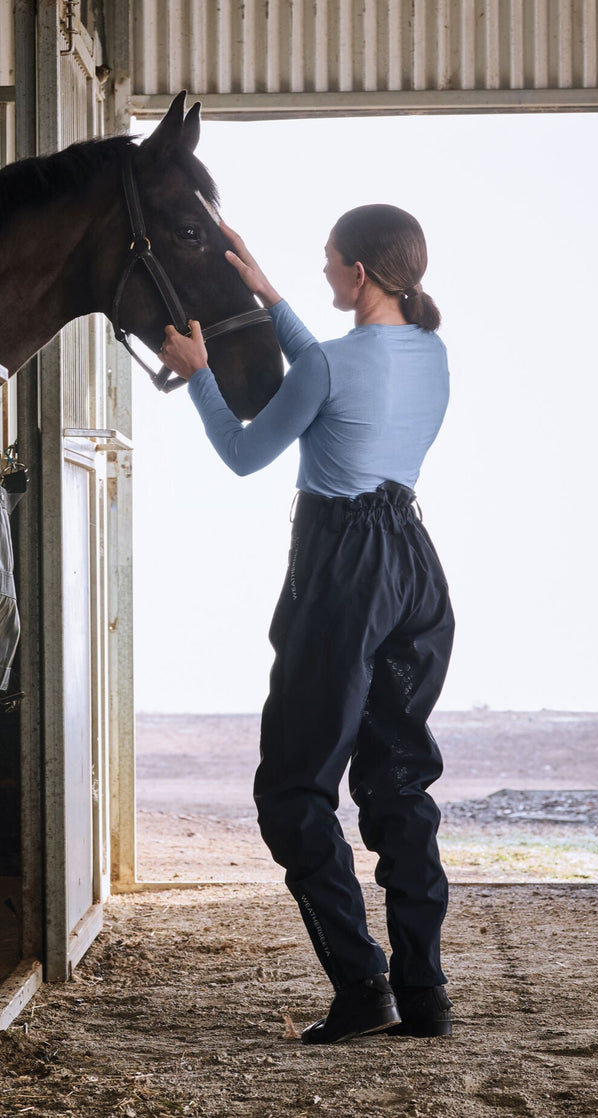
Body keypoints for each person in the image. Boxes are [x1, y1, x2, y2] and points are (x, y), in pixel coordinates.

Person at [157, 205, 455, 1044]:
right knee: (398, 783)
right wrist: (270, 292)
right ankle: (423, 990)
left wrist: (196, 374)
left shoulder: (328, 364)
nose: (324, 275)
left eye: (330, 265)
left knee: (294, 790)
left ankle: (364, 988)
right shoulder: (432, 352)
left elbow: (247, 453)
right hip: (415, 566)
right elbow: (334, 368)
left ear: (358, 274)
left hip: (342, 571)